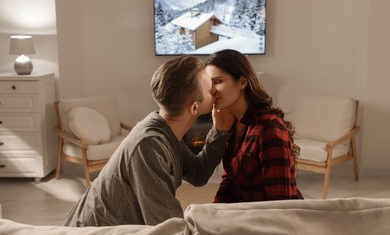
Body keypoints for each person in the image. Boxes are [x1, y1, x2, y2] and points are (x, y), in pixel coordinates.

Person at [64, 55, 234, 226]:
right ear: (194, 107)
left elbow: (198, 174)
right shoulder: (149, 145)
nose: (215, 91)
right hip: (93, 231)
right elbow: (166, 225)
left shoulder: (165, 128)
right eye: (209, 89)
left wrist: (219, 131)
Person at [205, 49, 303, 203]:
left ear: (242, 82)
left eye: (218, 81)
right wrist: (213, 212)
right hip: (243, 216)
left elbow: (280, 203)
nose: (211, 90)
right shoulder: (233, 123)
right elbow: (230, 179)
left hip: (267, 221)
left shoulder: (269, 128)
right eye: (209, 84)